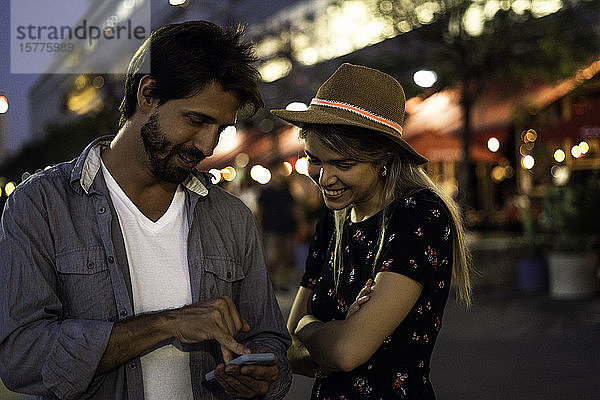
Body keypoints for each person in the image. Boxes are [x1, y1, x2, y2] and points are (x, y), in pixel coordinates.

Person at [0, 21, 291, 400]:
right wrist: (167, 323)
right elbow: (21, 358)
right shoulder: (40, 205)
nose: (207, 146)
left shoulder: (231, 217)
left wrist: (263, 372)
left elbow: (270, 341)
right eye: (197, 120)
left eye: (220, 129)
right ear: (148, 94)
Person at [271, 63, 472, 399]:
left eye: (343, 164)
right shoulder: (332, 222)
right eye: (315, 159)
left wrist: (310, 326)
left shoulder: (419, 216)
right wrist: (326, 334)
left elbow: (344, 353)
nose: (324, 178)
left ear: (383, 158)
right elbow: (287, 347)